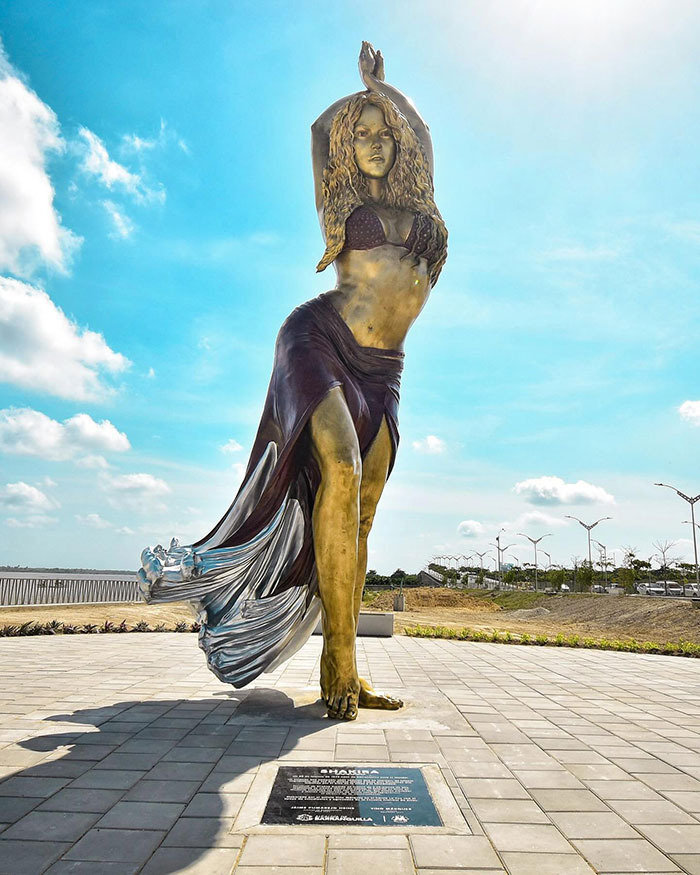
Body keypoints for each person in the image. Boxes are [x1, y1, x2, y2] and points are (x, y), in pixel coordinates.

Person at [139, 42, 447, 721]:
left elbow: (423, 136)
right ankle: (336, 663)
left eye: (381, 132)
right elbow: (318, 132)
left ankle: (349, 659)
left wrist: (385, 89)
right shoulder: (342, 205)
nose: (372, 141)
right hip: (316, 341)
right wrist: (359, 95)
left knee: (361, 516)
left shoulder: (420, 198)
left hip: (383, 372)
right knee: (339, 466)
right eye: (361, 132)